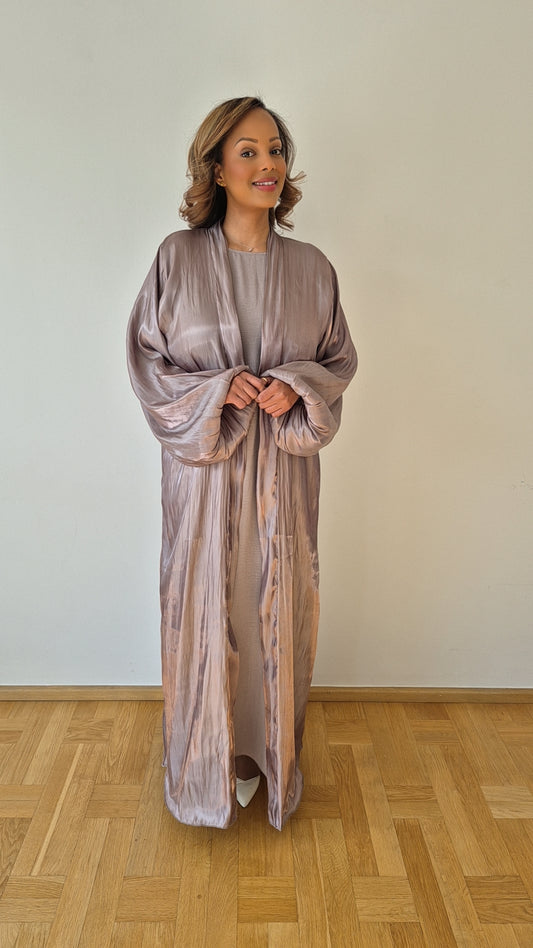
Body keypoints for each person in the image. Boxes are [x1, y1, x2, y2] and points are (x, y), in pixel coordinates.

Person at [127, 96, 357, 831]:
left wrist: (295, 382)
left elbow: (337, 363)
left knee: (277, 608)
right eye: (248, 151)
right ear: (217, 166)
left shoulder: (312, 268)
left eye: (275, 149)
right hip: (203, 477)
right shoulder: (178, 258)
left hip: (282, 476)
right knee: (203, 606)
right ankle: (204, 767)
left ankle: (268, 760)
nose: (267, 164)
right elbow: (148, 362)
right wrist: (218, 388)